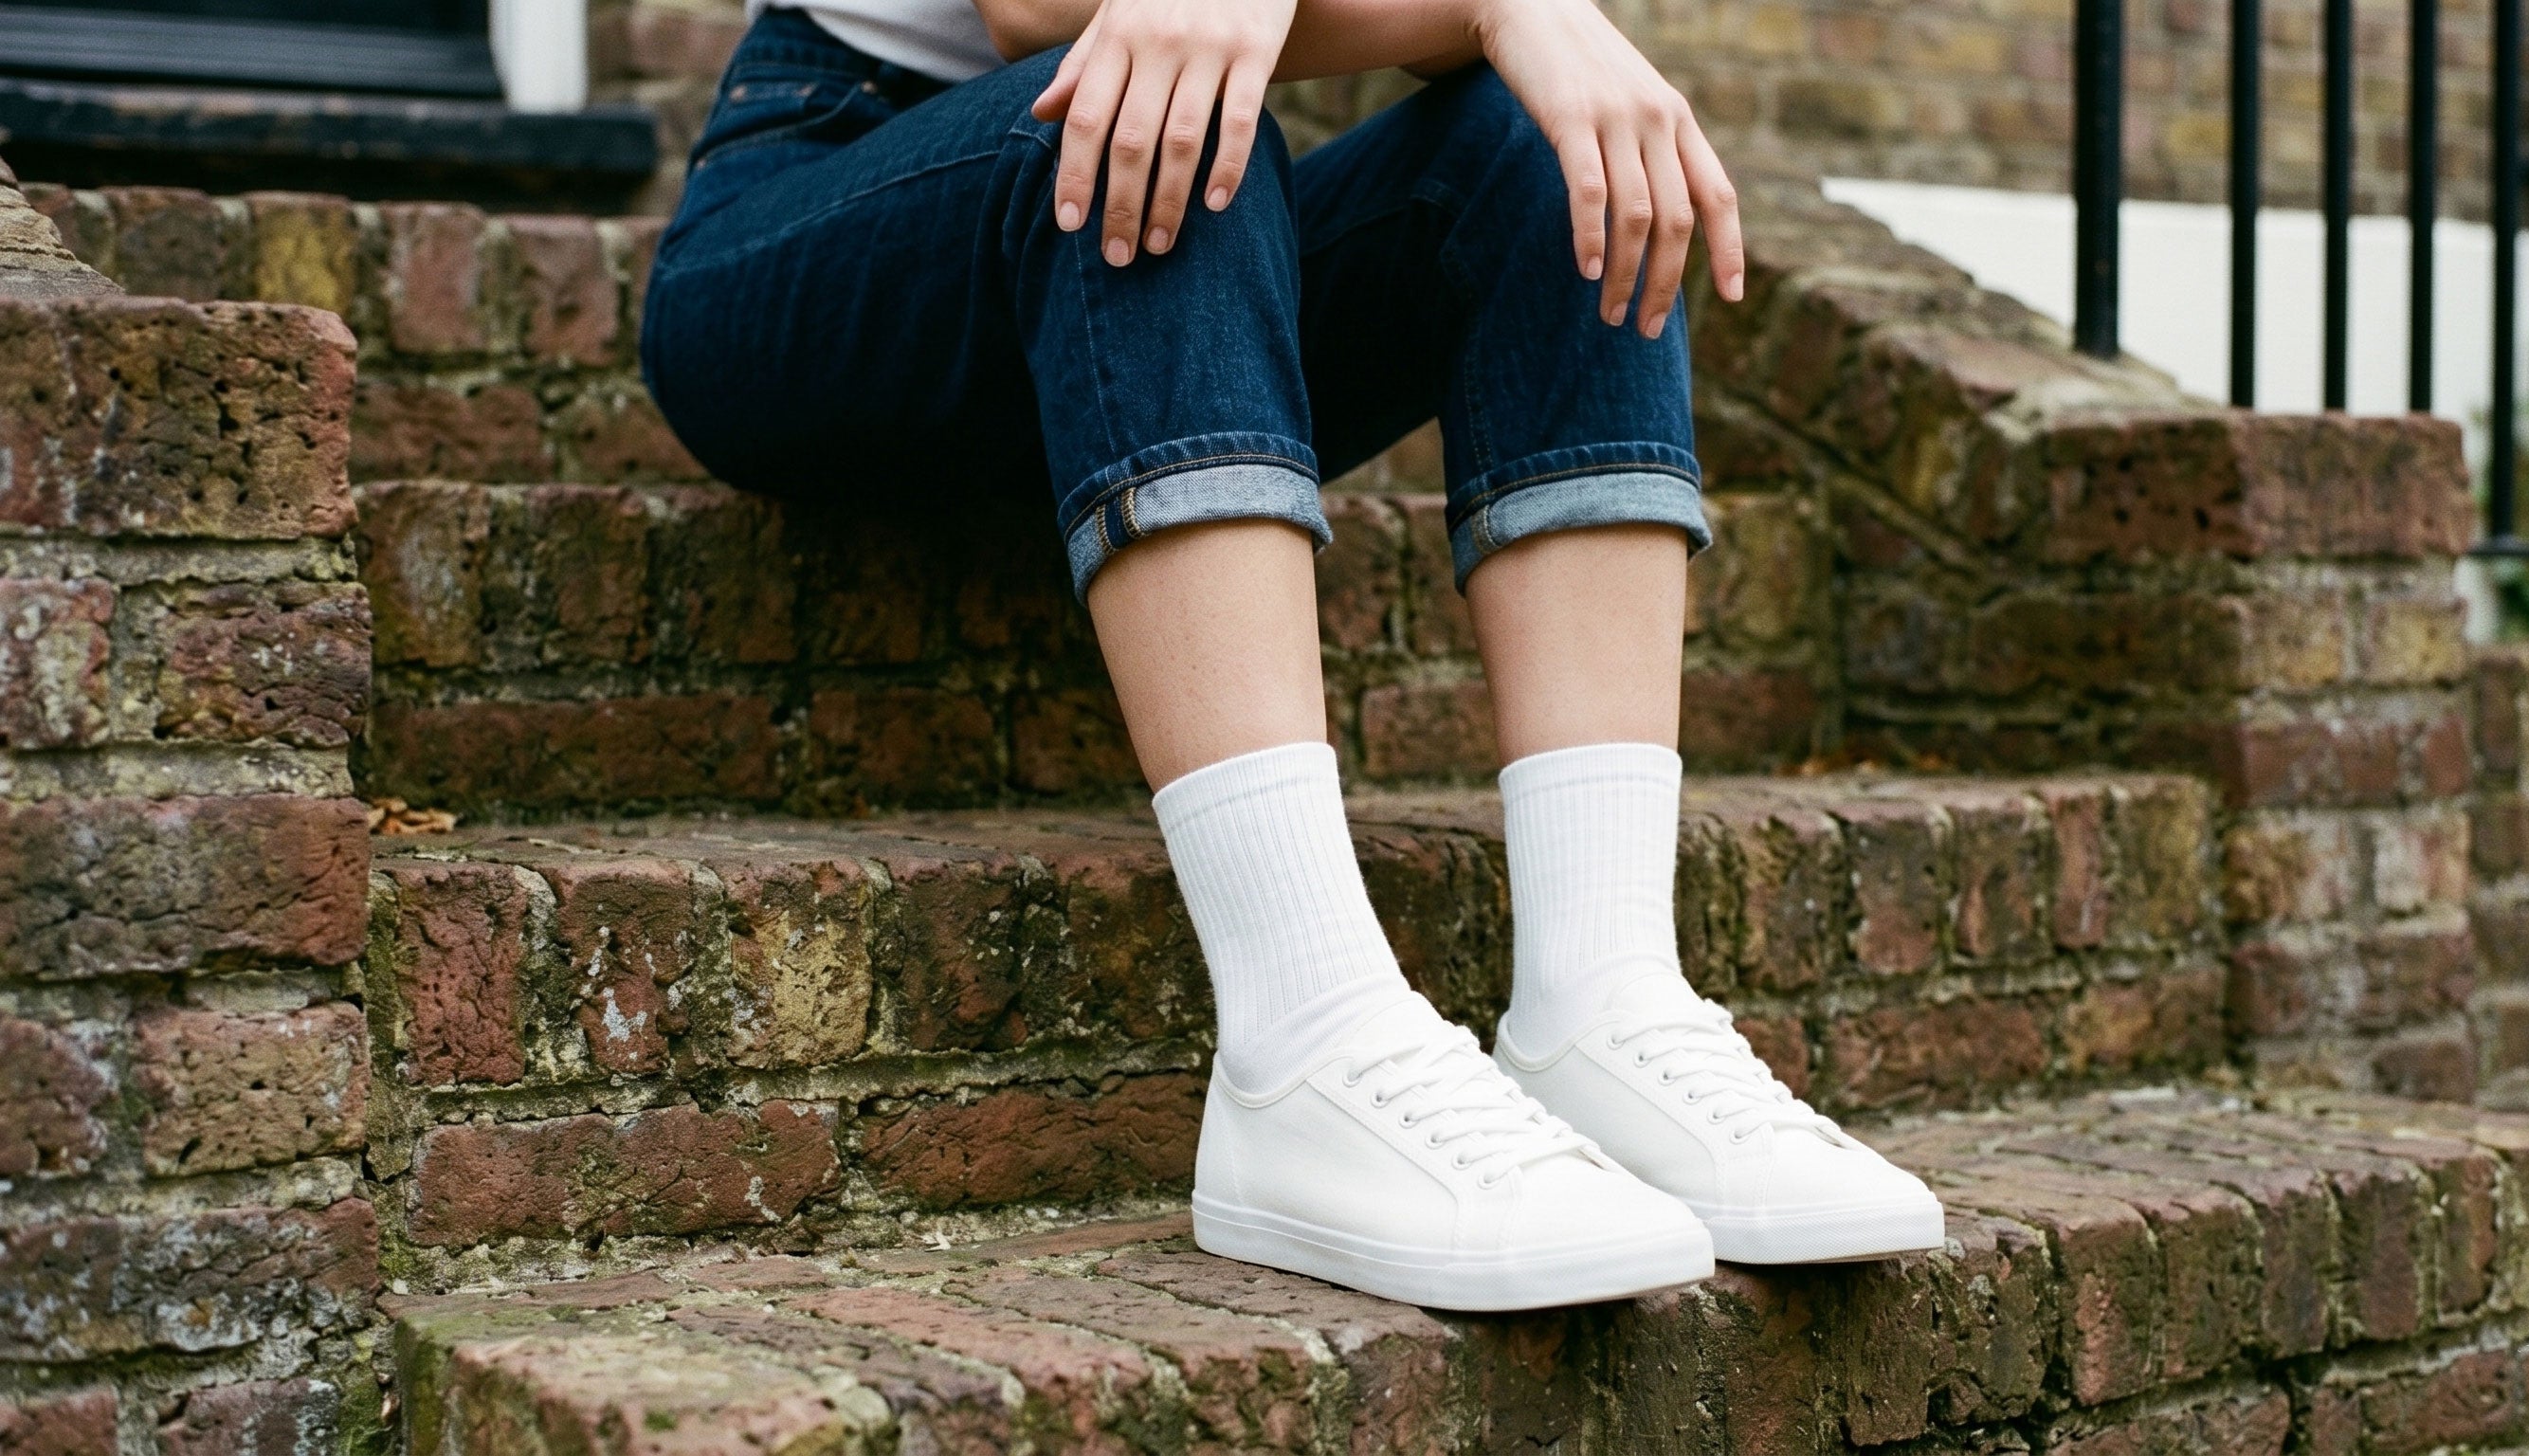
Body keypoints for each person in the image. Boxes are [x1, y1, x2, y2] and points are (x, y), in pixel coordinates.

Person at [639, 0, 1945, 1312]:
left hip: (1125, 265)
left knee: (1547, 146)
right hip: (817, 203)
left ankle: (1604, 1004)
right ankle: (1298, 1038)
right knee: (1159, 99)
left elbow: (1451, 49)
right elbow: (1040, 11)